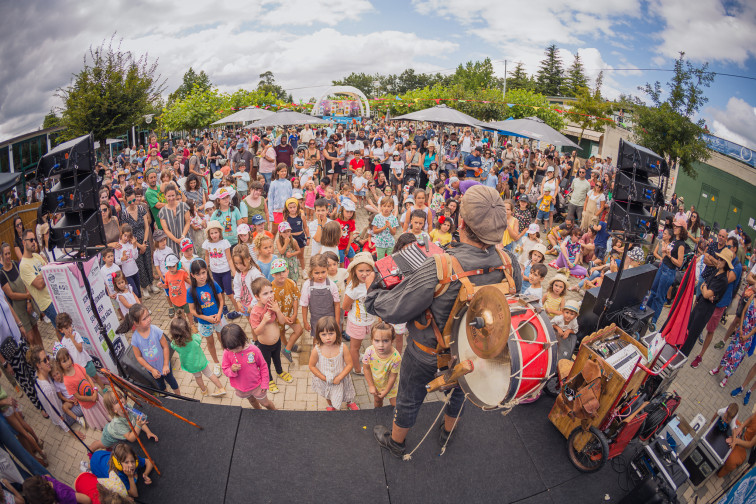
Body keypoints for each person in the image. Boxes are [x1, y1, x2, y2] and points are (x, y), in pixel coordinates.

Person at [368, 185, 521, 458]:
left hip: (426, 354)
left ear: (461, 223)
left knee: (409, 397)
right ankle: (448, 430)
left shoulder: (441, 265)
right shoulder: (510, 263)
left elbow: (393, 310)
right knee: (460, 391)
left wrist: (375, 289)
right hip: (475, 353)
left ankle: (396, 442)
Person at [118, 304, 181, 396]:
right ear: (136, 323)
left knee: (172, 381)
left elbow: (165, 347)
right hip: (153, 371)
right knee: (161, 386)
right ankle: (167, 397)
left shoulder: (155, 330)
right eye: (144, 319)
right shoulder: (135, 339)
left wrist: (166, 364)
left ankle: (179, 397)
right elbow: (139, 357)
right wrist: (152, 370)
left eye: (148, 315)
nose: (148, 319)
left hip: (165, 365)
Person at [681, 248, 732, 361]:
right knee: (687, 328)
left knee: (692, 335)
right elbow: (703, 287)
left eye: (721, 260)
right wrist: (705, 290)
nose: (718, 261)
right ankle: (679, 349)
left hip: (705, 310)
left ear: (726, 264)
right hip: (700, 305)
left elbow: (706, 293)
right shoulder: (715, 271)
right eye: (718, 258)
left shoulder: (723, 280)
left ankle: (681, 356)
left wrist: (705, 290)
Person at [248, 277, 292, 395]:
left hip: (276, 342)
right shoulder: (255, 312)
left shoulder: (273, 305)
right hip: (264, 345)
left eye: (271, 292)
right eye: (265, 293)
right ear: (257, 297)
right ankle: (269, 379)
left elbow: (282, 322)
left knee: (277, 358)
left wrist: (277, 310)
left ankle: (280, 371)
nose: (270, 295)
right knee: (266, 363)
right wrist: (264, 321)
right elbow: (256, 332)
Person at [220, 323, 276, 410]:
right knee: (252, 401)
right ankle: (258, 412)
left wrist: (265, 383)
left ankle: (275, 413)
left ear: (242, 339)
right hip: (241, 388)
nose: (235, 351)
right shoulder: (227, 352)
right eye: (232, 349)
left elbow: (263, 366)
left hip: (258, 386)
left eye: (237, 348)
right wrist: (232, 370)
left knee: (266, 403)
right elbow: (225, 369)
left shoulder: (254, 350)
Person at [308, 316, 358, 411]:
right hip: (325, 379)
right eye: (324, 334)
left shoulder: (342, 347)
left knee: (346, 391)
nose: (328, 338)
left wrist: (339, 377)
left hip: (341, 377)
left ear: (337, 332)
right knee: (328, 393)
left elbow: (349, 364)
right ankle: (331, 405)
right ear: (318, 335)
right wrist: (324, 378)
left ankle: (349, 402)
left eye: (331, 333)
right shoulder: (316, 350)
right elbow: (311, 366)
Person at [169, 318, 226, 398]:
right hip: (201, 361)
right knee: (209, 374)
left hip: (191, 365)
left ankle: (204, 391)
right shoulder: (193, 338)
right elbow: (199, 340)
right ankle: (221, 388)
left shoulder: (174, 344)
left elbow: (174, 347)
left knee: (198, 377)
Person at [647, 217, 688, 329]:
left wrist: (669, 255)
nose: (674, 227)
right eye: (675, 225)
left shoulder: (681, 245)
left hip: (669, 271)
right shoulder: (674, 240)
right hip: (663, 267)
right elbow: (667, 255)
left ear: (682, 229)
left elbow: (679, 263)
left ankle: (653, 321)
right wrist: (665, 251)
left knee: (659, 297)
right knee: (654, 291)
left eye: (677, 226)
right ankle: (646, 312)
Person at [187, 259, 225, 377]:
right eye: (198, 274)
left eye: (203, 272)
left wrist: (219, 314)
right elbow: (192, 311)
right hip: (204, 323)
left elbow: (221, 300)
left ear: (207, 271)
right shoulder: (191, 291)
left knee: (223, 339)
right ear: (193, 275)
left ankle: (228, 359)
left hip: (219, 319)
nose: (202, 276)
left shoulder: (213, 284)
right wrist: (206, 318)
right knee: (210, 343)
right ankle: (217, 363)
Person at [0, 243, 41, 348]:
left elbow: (25, 282)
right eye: (6, 254)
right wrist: (27, 296)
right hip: (19, 309)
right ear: (1, 256)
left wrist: (28, 302)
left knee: (36, 328)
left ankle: (44, 353)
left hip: (29, 304)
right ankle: (36, 361)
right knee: (30, 337)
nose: (8, 256)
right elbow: (11, 295)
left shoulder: (16, 264)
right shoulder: (2, 274)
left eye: (9, 253)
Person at [342, 252, 376, 375]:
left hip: (368, 320)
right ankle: (356, 369)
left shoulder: (373, 283)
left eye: (368, 270)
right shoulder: (354, 288)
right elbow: (345, 306)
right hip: (357, 322)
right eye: (361, 270)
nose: (365, 274)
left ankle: (358, 356)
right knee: (354, 347)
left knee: (359, 343)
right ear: (354, 271)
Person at [18, 229, 56, 329]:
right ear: (23, 242)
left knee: (59, 327)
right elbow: (39, 285)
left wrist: (41, 274)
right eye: (31, 240)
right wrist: (45, 271)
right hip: (46, 303)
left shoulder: (36, 256)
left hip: (53, 295)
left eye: (34, 239)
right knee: (62, 328)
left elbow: (50, 271)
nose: (34, 242)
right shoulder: (23, 265)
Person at [90, 443, 154, 499]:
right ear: (119, 464)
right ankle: (88, 469)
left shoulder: (133, 458)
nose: (131, 465)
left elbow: (149, 462)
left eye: (132, 461)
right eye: (126, 462)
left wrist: (145, 474)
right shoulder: (118, 476)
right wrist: (130, 477)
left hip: (100, 455)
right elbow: (134, 494)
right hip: (95, 464)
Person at [362, 321, 401, 409]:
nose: (381, 345)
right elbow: (366, 369)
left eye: (386, 341)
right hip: (376, 384)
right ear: (371, 340)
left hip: (391, 385)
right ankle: (378, 415)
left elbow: (392, 376)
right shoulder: (369, 352)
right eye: (376, 340)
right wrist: (371, 386)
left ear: (392, 341)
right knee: (378, 401)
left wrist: (386, 391)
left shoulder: (396, 357)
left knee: (395, 403)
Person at [301, 254, 341, 337]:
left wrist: (337, 321)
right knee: (317, 339)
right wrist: (305, 321)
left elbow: (337, 304)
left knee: (330, 339)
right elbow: (304, 305)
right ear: (311, 271)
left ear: (327, 269)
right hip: (316, 320)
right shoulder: (307, 285)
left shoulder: (332, 285)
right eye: (316, 273)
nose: (320, 276)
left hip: (330, 320)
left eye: (323, 272)